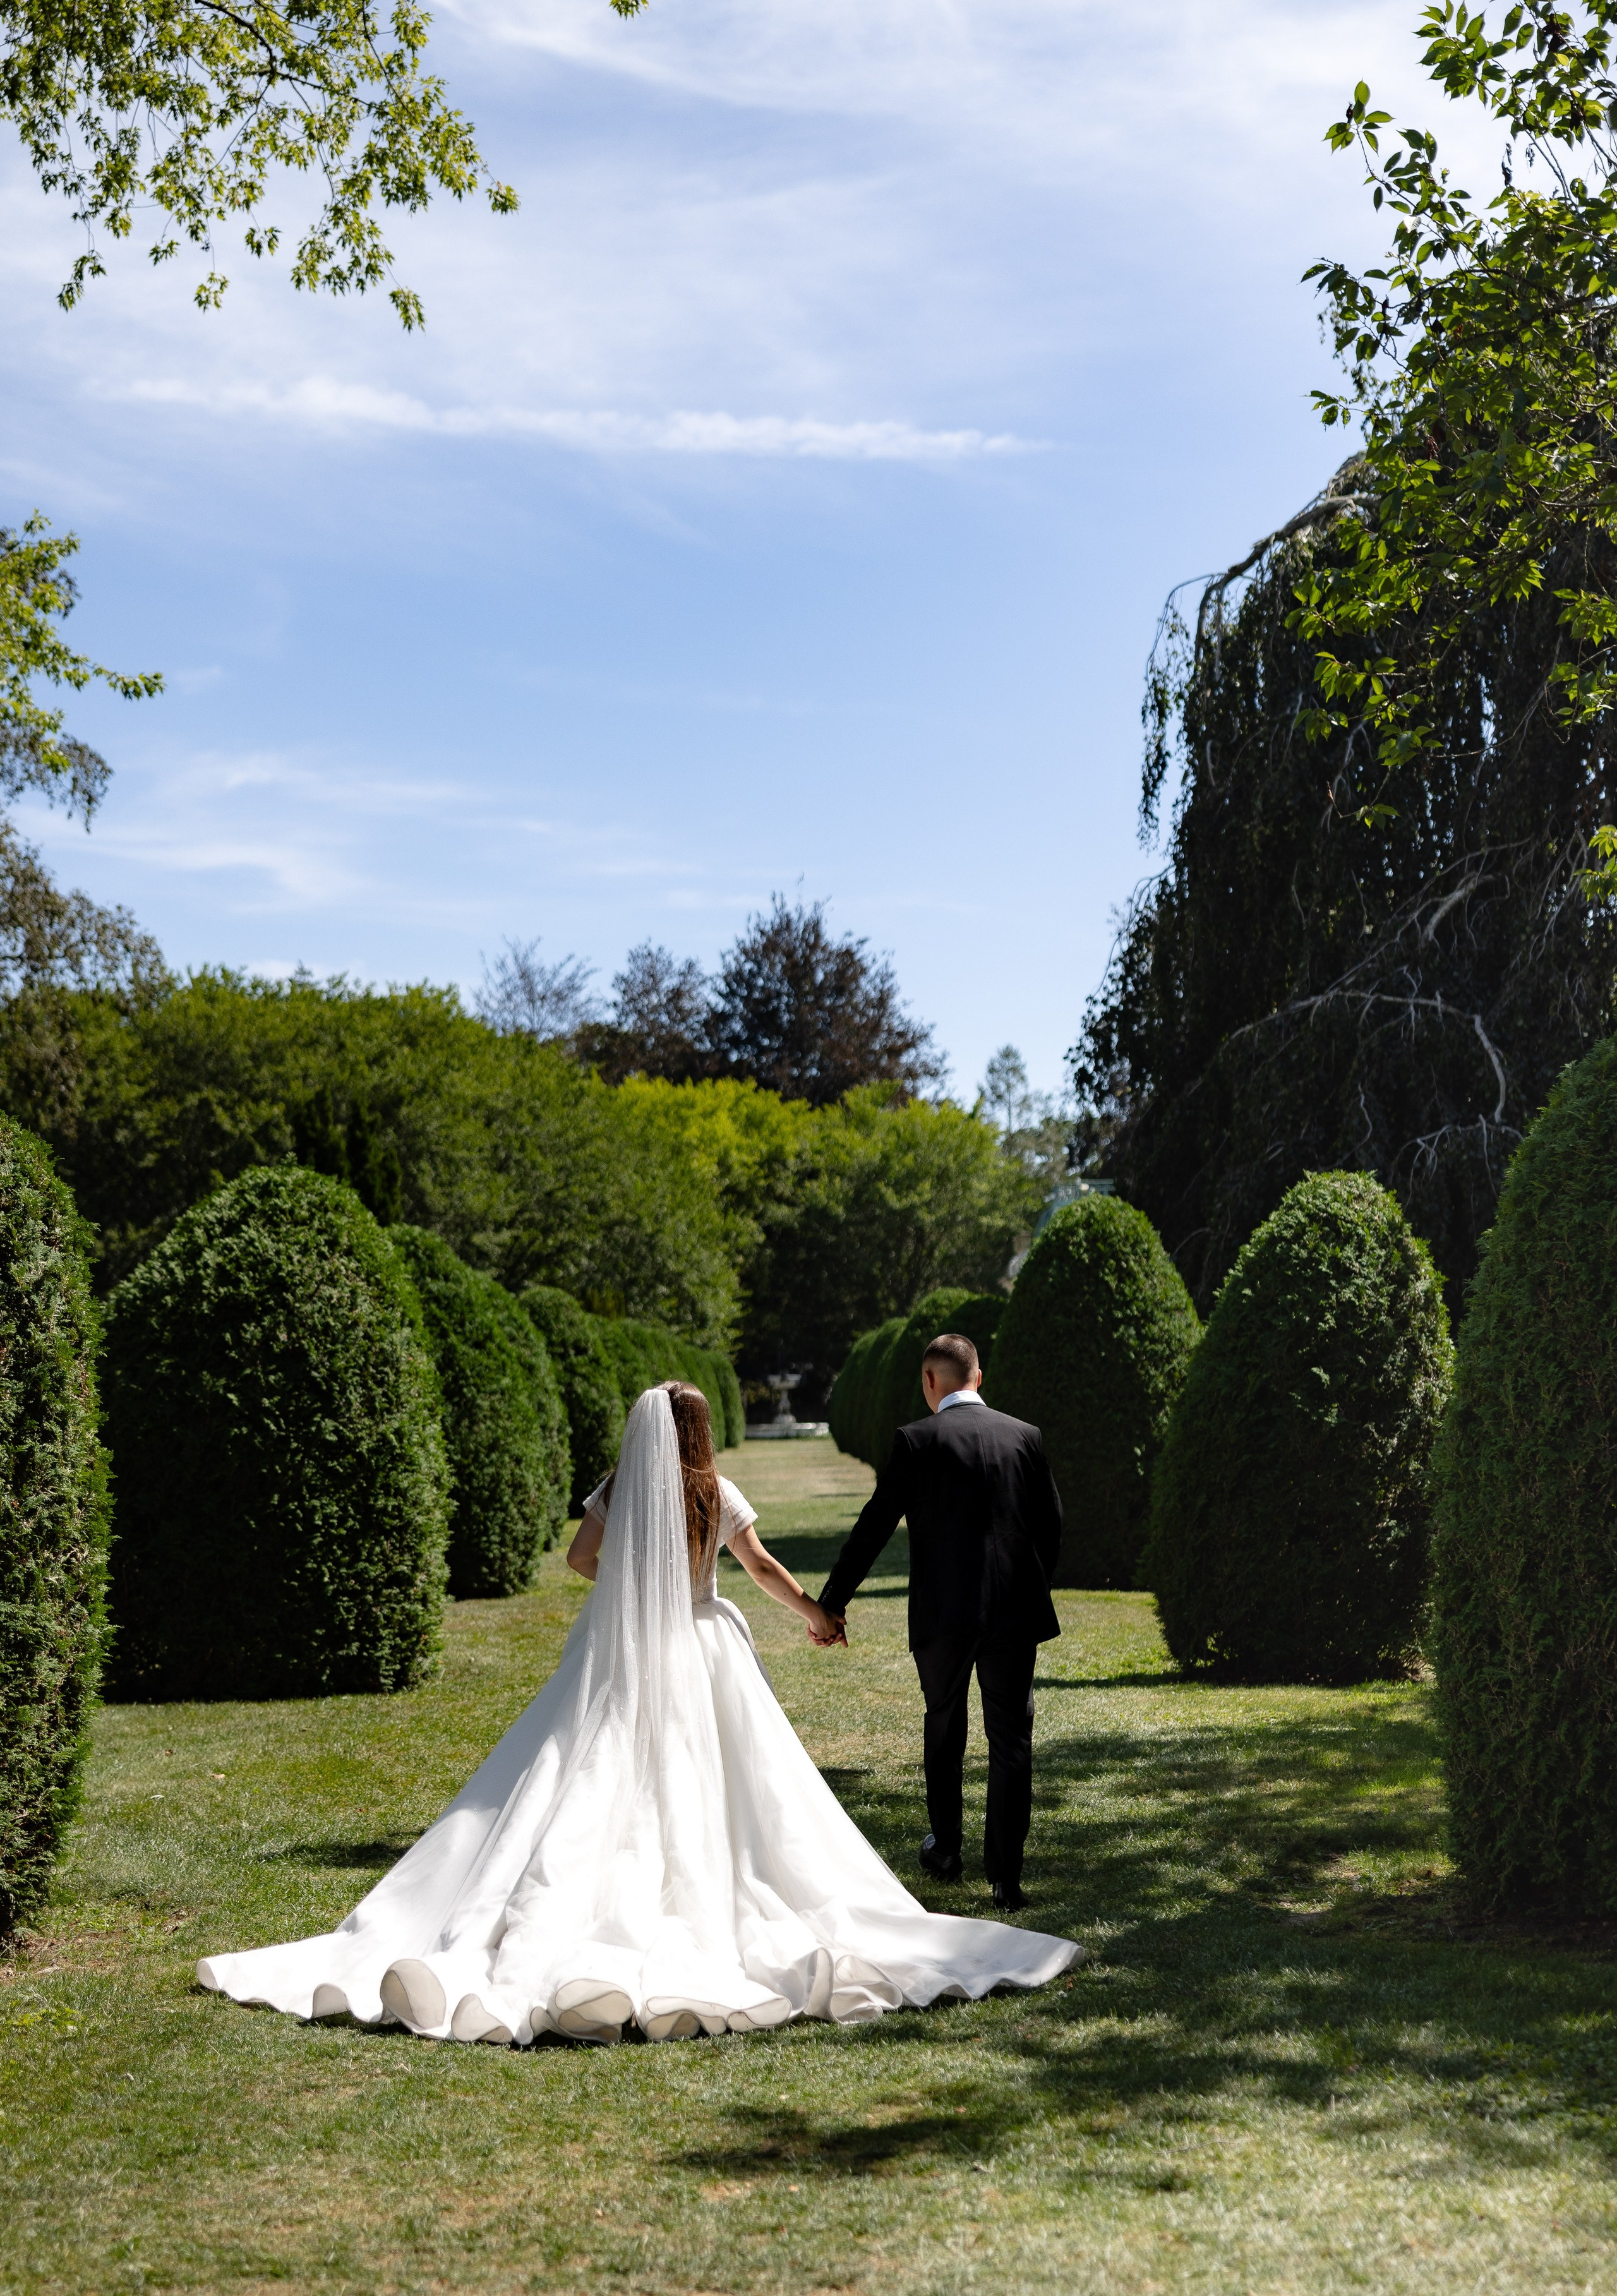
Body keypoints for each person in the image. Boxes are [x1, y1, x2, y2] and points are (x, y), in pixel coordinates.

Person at [198, 1380, 1080, 2045]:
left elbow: (580, 1559)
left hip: (626, 1643)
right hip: (703, 1639)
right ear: (699, 1431)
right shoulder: (714, 1489)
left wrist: (632, 1581)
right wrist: (816, 1612)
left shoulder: (621, 1486)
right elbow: (760, 1566)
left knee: (588, 1764)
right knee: (729, 1782)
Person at [815, 1332, 1063, 1911]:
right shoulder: (1024, 1435)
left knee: (944, 1724)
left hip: (943, 1612)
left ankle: (947, 1848)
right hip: (1012, 1609)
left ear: (930, 1380)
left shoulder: (916, 1440)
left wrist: (832, 1601)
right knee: (1011, 1739)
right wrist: (1031, 1585)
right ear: (979, 1376)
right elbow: (1050, 1523)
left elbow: (874, 1525)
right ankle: (1006, 1879)